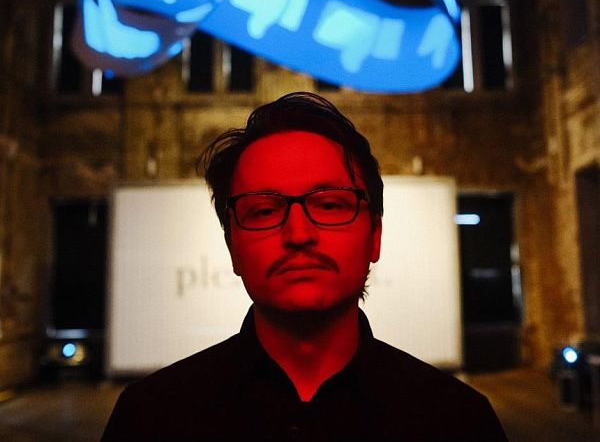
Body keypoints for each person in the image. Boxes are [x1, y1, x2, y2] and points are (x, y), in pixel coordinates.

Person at [102, 92, 507, 441]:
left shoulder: (457, 421)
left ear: (375, 236)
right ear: (232, 248)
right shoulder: (151, 418)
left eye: (330, 204)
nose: (298, 233)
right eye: (264, 210)